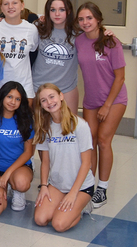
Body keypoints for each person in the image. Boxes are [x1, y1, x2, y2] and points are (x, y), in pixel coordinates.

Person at [75, 2, 127, 209]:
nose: (85, 22)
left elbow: (120, 78)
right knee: (90, 141)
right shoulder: (79, 41)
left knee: (104, 140)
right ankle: (89, 184)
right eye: (81, 19)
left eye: (89, 18)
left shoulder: (111, 42)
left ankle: (102, 189)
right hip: (91, 100)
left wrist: (107, 105)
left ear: (98, 19)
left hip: (114, 100)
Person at [33, 84, 95, 231]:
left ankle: (82, 206)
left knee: (59, 224)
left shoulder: (79, 125)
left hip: (81, 187)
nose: (49, 102)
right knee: (40, 219)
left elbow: (87, 163)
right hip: (57, 184)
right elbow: (45, 162)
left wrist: (73, 193)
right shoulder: (45, 127)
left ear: (61, 96)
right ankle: (63, 203)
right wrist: (44, 186)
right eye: (43, 100)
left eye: (52, 97)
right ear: (41, 105)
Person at [0, 82, 34, 216]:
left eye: (17, 99)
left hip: (18, 167)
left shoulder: (26, 119)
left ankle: (16, 189)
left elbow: (28, 152)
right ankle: (3, 185)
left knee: (21, 183)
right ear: (2, 97)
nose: (13, 102)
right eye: (9, 97)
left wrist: (7, 174)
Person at [0, 0, 38, 104]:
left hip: (24, 86)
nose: (10, 7)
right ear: (1, 8)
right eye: (6, 4)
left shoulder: (31, 29)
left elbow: (33, 49)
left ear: (22, 5)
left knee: (24, 116)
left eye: (14, 3)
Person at [33, 0, 79, 114]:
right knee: (39, 124)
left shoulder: (79, 33)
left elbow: (95, 33)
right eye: (53, 10)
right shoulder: (38, 28)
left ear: (69, 11)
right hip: (39, 86)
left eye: (62, 10)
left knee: (68, 124)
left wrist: (106, 33)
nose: (57, 14)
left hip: (66, 89)